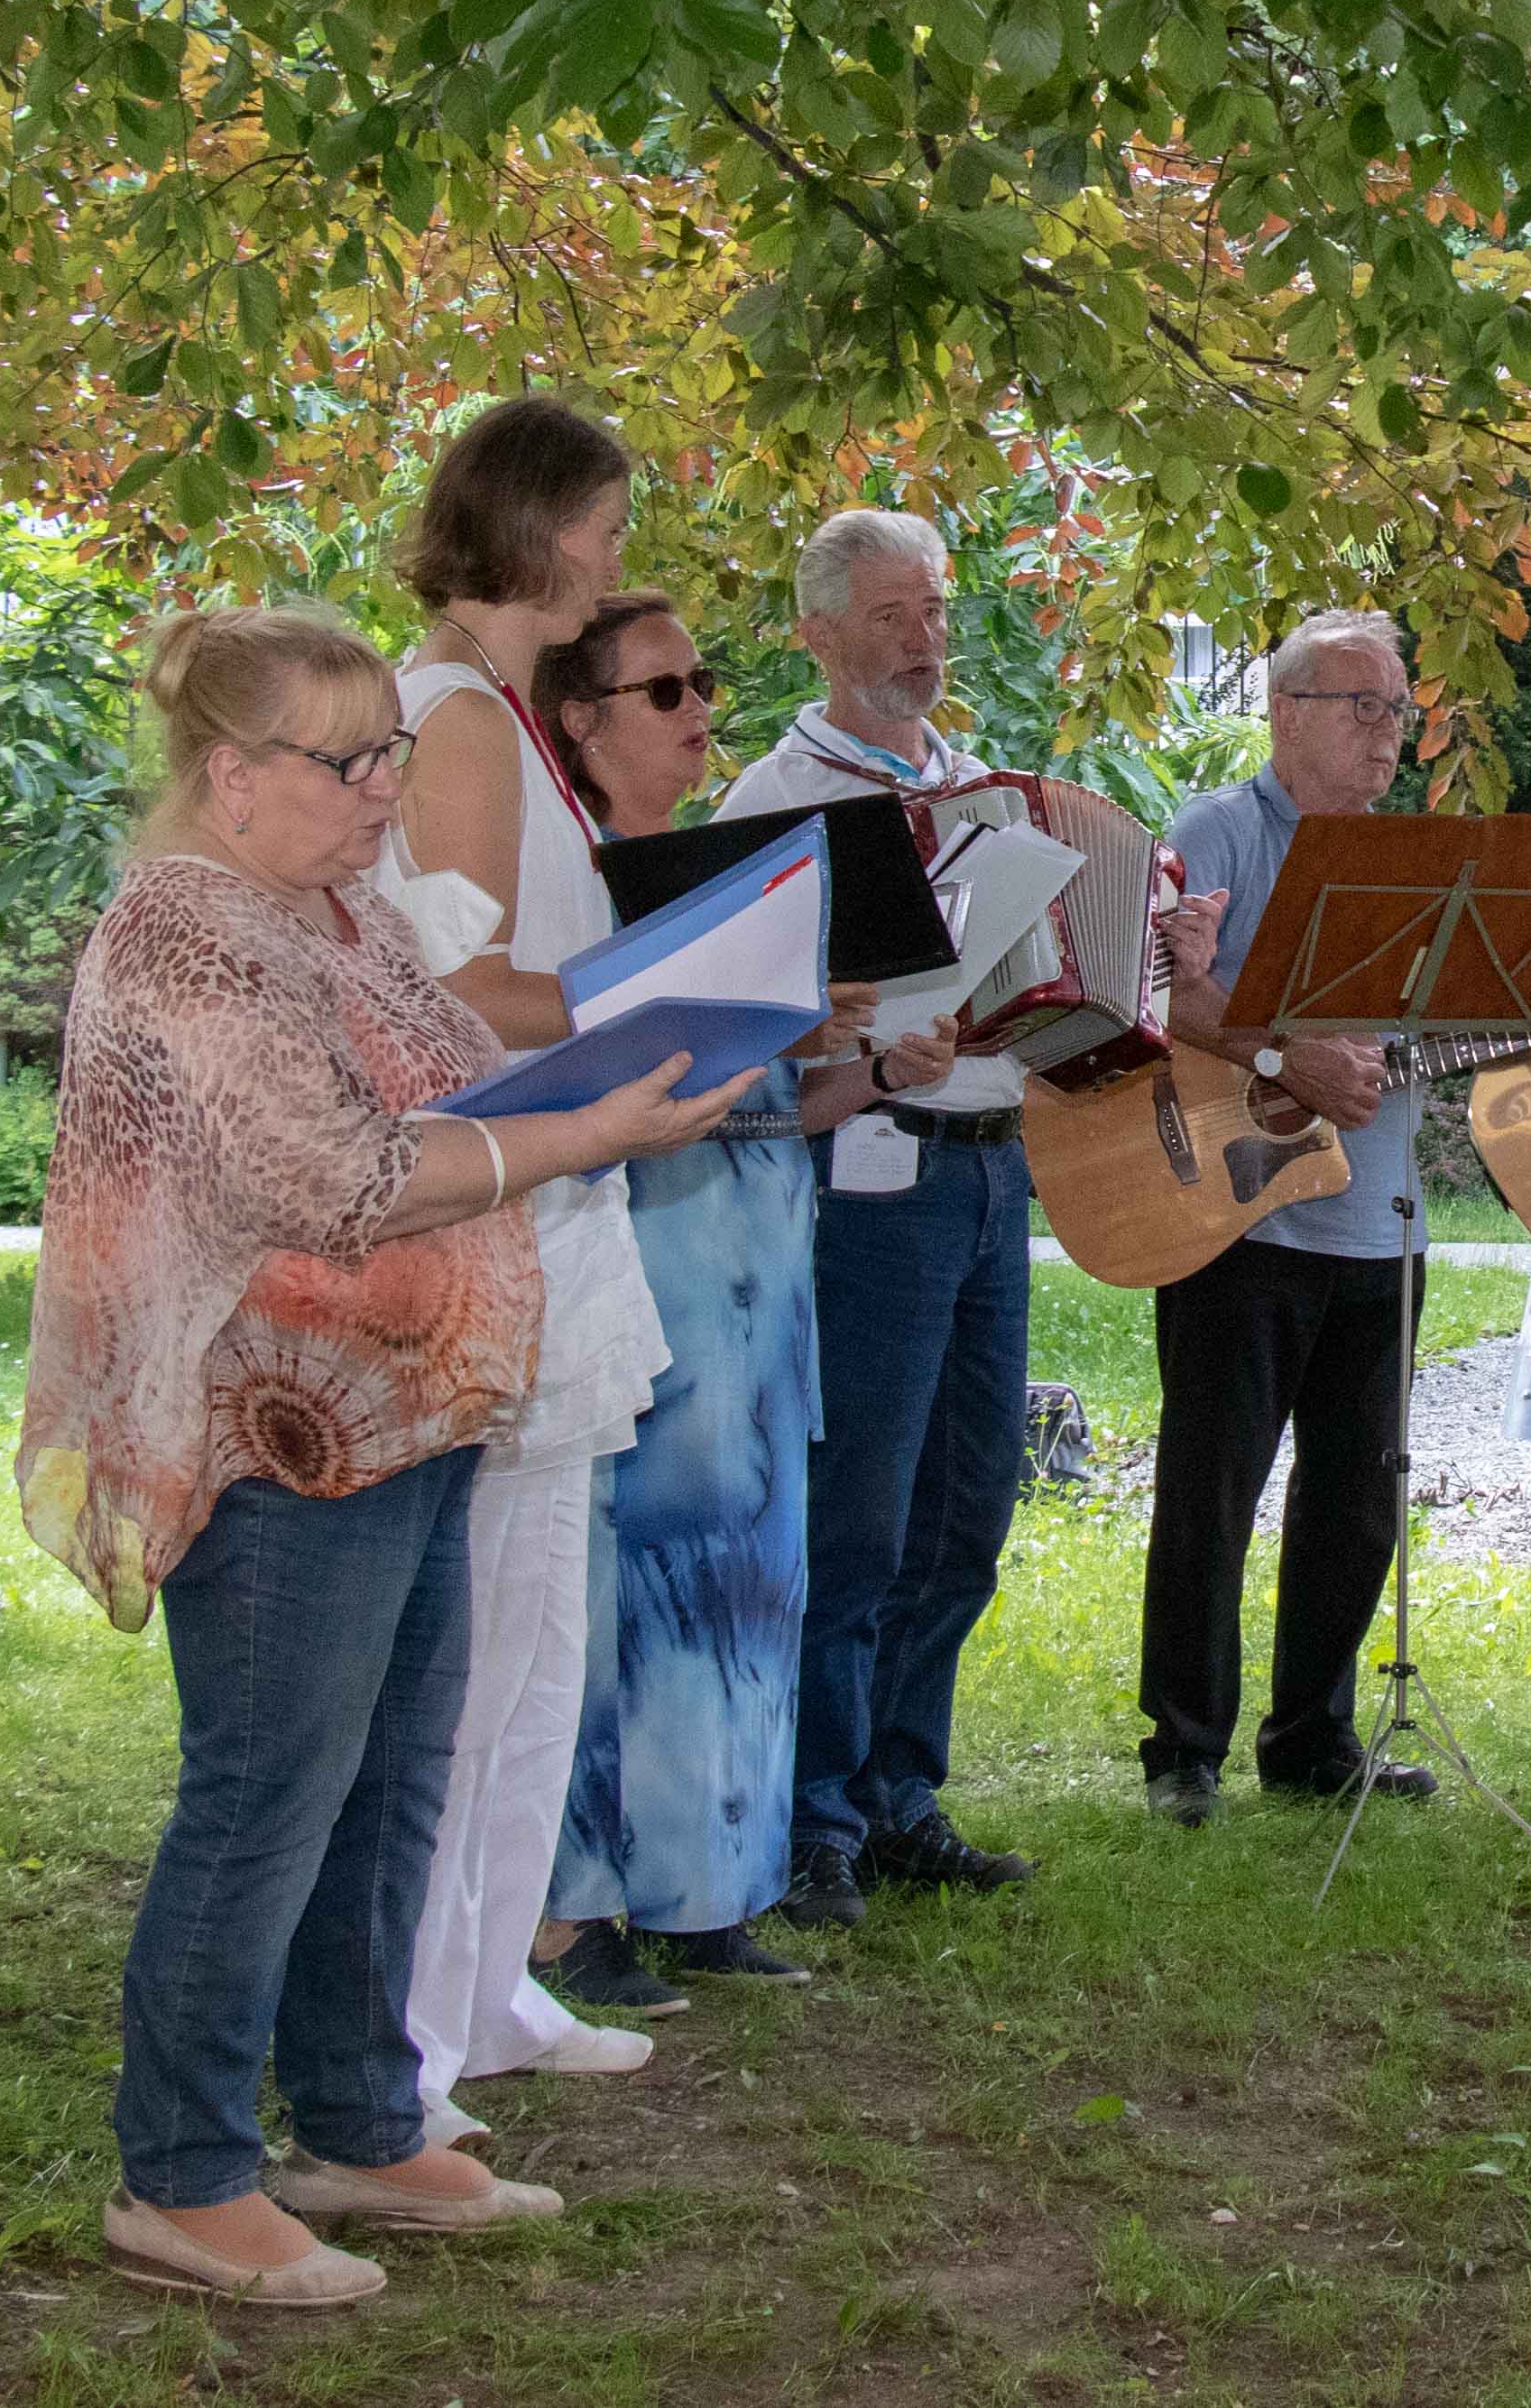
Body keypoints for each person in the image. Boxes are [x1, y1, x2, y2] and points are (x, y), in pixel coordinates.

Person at [22, 604, 752, 2309]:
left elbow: (448, 1075)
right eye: (349, 763)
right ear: (230, 778)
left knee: (389, 1777)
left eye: (388, 757)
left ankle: (357, 2121)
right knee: (266, 1793)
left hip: (396, 1405)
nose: (383, 792)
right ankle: (182, 2176)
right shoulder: (189, 935)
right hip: (274, 1423)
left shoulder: (321, 907)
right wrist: (597, 1127)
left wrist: (633, 1056)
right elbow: (334, 1179)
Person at [368, 401, 687, 2130]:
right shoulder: (461, 720)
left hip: (552, 1204)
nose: (618, 555)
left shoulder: (491, 717)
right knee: (482, 1652)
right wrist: (669, 1011)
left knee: (538, 1636)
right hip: (496, 1209)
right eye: (607, 521)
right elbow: (457, 996)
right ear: (541, 525)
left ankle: (488, 1983)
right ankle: (409, 2042)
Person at [538, 590, 896, 1978]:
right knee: (637, 1580)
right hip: (648, 1255)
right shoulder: (577, 881)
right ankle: (586, 1904)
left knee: (750, 1575)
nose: (699, 715)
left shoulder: (719, 869)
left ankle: (713, 1890)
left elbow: (773, 1104)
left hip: (756, 1259)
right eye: (665, 690)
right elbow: (616, 1079)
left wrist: (856, 1063)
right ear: (582, 718)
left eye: (702, 686)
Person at [718, 507, 1020, 1917]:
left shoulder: (989, 789)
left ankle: (903, 1787)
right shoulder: (773, 798)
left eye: (936, 611)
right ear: (820, 630)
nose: (925, 639)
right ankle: (812, 1812)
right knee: (859, 1512)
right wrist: (853, 1053)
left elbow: (1041, 981)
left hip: (988, 1167)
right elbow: (728, 1036)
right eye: (895, 614)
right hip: (865, 1177)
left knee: (970, 1501)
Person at [1133, 608, 1440, 1822]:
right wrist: (1284, 1053)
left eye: (1399, 710)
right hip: (1236, 1213)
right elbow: (1159, 991)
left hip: (1377, 1221)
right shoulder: (1218, 830)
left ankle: (1312, 1735)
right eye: (1362, 706)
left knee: (1357, 1498)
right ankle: (1184, 1751)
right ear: (1284, 712)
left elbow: (1424, 1029)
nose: (1387, 735)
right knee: (1213, 1489)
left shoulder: (1413, 861)